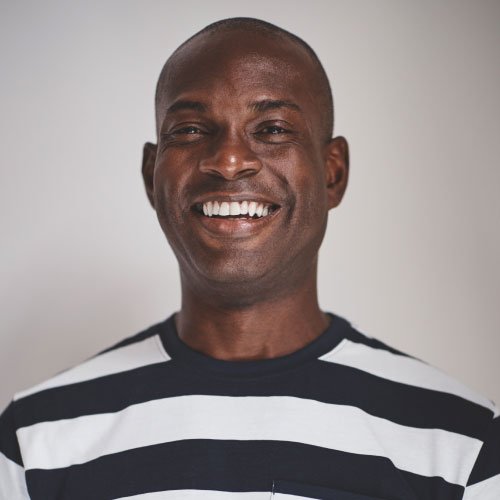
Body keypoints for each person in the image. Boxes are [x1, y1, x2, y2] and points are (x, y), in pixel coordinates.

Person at [0, 17, 498, 500]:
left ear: (333, 173)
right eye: (190, 130)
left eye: (273, 129)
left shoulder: (462, 443)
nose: (229, 160)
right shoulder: (35, 441)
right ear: (152, 174)